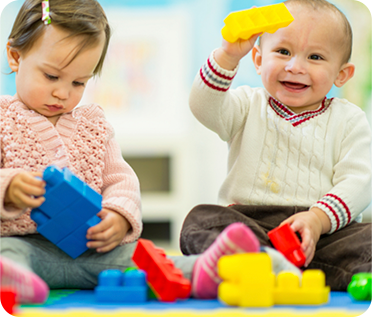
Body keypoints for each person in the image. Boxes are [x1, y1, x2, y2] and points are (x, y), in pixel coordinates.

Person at [0, 0, 301, 304]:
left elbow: (121, 180)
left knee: (145, 260)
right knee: (7, 253)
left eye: (79, 82)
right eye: (51, 76)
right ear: (15, 56)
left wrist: (118, 216)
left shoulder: (93, 125)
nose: (63, 93)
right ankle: (11, 278)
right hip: (21, 244)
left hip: (89, 250)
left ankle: (213, 268)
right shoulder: (3, 119)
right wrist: (8, 187)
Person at [180, 0, 372, 291]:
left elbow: (359, 183)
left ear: (341, 75)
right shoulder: (246, 105)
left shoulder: (349, 120)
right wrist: (228, 57)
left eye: (316, 57)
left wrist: (317, 220)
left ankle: (268, 270)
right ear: (258, 60)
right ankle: (262, 263)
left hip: (321, 234)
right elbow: (203, 106)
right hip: (251, 224)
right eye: (283, 52)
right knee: (200, 221)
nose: (295, 67)